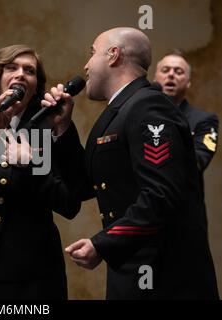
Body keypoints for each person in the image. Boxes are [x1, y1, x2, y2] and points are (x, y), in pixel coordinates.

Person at [45, 27, 219, 299]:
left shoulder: (148, 106)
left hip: (165, 278)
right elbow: (84, 186)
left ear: (113, 55)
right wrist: (63, 129)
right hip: (131, 267)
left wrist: (103, 244)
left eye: (92, 53)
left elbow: (160, 196)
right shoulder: (117, 112)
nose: (86, 65)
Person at [0, 44, 87, 299]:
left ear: (36, 85)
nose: (21, 74)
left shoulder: (50, 125)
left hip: (34, 268)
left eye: (29, 70)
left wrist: (35, 159)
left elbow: (69, 203)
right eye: (11, 68)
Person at [154, 50, 218, 226]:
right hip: (147, 213)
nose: (171, 75)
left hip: (185, 216)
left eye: (178, 71)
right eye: (166, 70)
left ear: (188, 82)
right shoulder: (142, 117)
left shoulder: (204, 120)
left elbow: (199, 160)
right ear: (155, 78)